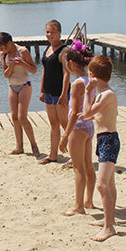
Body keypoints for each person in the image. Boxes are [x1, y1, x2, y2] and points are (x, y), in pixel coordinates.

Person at [81, 56, 119, 242]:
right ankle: (108, 218)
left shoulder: (106, 94)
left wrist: (87, 92)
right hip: (103, 139)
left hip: (109, 140)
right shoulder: (102, 94)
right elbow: (91, 115)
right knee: (109, 184)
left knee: (102, 184)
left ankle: (109, 226)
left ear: (93, 75)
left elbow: (87, 112)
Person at [59, 40, 96, 215]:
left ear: (72, 63)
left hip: (78, 126)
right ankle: (89, 200)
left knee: (78, 167)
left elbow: (73, 113)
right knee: (88, 165)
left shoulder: (77, 84)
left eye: (66, 64)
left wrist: (65, 135)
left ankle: (78, 205)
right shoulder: (90, 80)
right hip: (89, 125)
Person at [0, 32, 40, 157]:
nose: (1, 50)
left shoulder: (23, 51)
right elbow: (6, 75)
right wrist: (12, 64)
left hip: (25, 85)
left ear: (9, 43)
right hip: (12, 86)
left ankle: (34, 145)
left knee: (22, 117)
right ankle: (19, 147)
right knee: (14, 117)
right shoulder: (4, 54)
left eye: (2, 47)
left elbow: (34, 69)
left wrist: (22, 63)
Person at [38, 20, 71, 164]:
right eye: (47, 32)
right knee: (53, 124)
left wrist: (64, 94)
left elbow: (67, 74)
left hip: (60, 93)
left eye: (52, 32)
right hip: (49, 92)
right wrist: (42, 91)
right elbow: (44, 71)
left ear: (59, 32)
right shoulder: (47, 49)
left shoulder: (64, 50)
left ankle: (75, 155)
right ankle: (53, 155)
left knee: (66, 124)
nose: (49, 35)